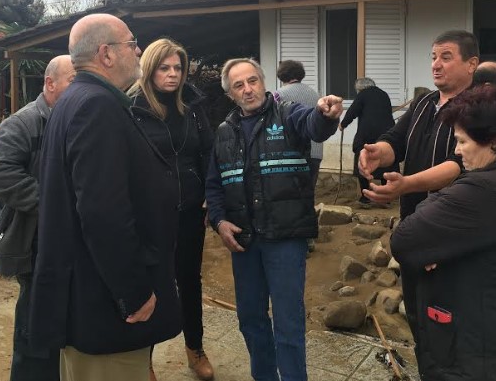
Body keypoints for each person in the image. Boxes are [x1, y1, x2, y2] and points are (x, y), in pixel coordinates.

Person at [29, 14, 182, 381]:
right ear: (106, 54)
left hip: (89, 300)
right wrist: (133, 292)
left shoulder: (75, 100)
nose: (139, 51)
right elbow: (103, 213)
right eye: (132, 43)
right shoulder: (96, 106)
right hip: (105, 309)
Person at [390, 85, 496, 381]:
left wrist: (437, 249)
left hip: (476, 355)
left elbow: (405, 240)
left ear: (494, 141)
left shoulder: (484, 190)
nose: (456, 150)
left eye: (462, 141)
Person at [205, 58, 342, 381]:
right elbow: (214, 185)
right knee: (250, 319)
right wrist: (219, 221)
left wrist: (325, 114)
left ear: (263, 82)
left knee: (288, 322)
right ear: (230, 94)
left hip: (285, 238)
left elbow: (314, 125)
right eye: (239, 85)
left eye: (252, 80)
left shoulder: (288, 114)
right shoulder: (224, 132)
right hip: (245, 241)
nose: (247, 89)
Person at [358, 30, 478, 342]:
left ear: (471, 64)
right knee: (417, 309)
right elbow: (396, 140)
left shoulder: (478, 107)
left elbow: (458, 165)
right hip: (415, 224)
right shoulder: (425, 102)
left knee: (448, 316)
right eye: (434, 57)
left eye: (446, 57)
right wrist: (377, 152)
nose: (436, 64)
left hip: (452, 231)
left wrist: (406, 184)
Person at [0, 54, 75, 381]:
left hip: (59, 241)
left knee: (57, 327)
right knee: (34, 332)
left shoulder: (70, 120)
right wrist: (51, 203)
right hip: (33, 242)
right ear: (50, 83)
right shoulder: (24, 122)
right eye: (73, 82)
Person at [128, 39, 215, 381]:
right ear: (149, 70)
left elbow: (207, 152)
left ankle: (195, 348)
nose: (173, 74)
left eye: (178, 67)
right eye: (164, 68)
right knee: (152, 284)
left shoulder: (192, 107)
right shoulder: (132, 108)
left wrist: (210, 195)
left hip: (190, 211)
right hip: (150, 215)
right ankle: (144, 360)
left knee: (189, 281)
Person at [338, 77, 396, 207]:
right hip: (387, 134)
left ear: (360, 88)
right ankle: (385, 198)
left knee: (363, 162)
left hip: (367, 135)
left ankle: (365, 198)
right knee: (385, 164)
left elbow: (352, 111)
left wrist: (343, 124)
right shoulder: (383, 94)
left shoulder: (363, 95)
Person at [276, 60, 322, 187]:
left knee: (288, 192)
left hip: (289, 153)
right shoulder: (315, 95)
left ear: (281, 75)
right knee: (309, 191)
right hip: (315, 152)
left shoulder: (279, 95)